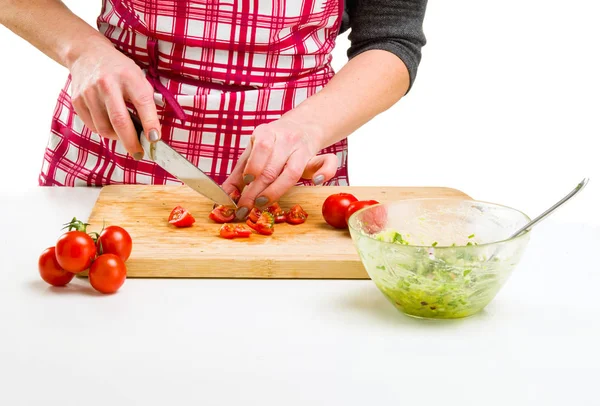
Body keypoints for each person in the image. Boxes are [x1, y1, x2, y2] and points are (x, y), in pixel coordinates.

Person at [1, 0, 427, 219]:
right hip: (115, 143)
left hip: (289, 172)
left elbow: (391, 40)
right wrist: (83, 53)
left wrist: (308, 126)